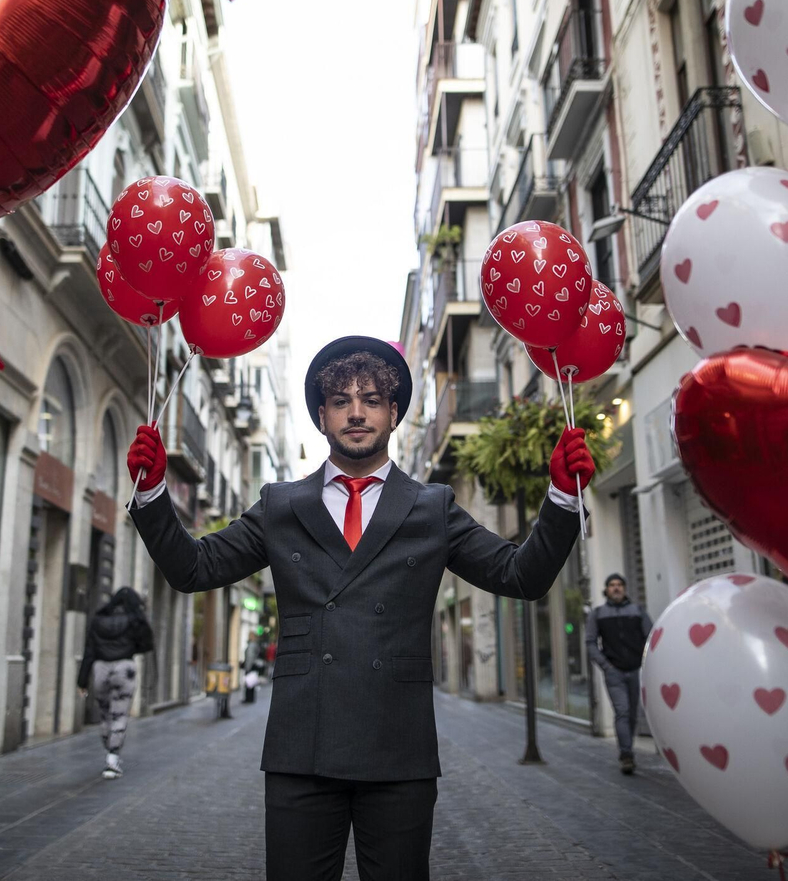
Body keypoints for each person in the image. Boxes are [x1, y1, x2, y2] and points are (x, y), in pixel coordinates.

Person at [126, 336, 593, 881]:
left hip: (398, 747)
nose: (356, 412)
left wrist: (561, 500)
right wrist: (154, 494)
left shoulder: (431, 507)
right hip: (302, 748)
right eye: (341, 400)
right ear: (321, 415)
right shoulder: (282, 505)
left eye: (371, 399)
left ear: (394, 413)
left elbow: (521, 576)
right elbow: (193, 569)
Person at [75, 586, 154, 780]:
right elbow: (147, 644)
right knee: (119, 713)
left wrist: (82, 680)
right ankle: (112, 758)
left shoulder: (98, 619)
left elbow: (89, 651)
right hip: (124, 668)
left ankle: (108, 744)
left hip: (100, 668)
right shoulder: (135, 620)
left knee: (104, 713)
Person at [586, 573, 653, 774]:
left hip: (636, 671)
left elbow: (651, 638)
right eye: (612, 585)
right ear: (606, 590)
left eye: (619, 585)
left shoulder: (638, 611)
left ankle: (627, 748)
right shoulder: (598, 614)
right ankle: (626, 755)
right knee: (622, 711)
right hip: (614, 672)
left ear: (624, 589)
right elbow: (590, 643)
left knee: (632, 714)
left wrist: (645, 663)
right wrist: (606, 666)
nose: (616, 588)